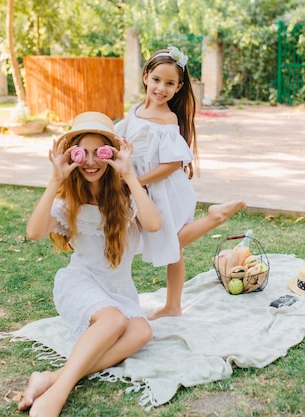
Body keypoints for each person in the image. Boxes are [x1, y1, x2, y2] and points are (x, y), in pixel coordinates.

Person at [18, 112, 162, 417]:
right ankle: (57, 394)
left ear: (113, 154)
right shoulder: (69, 199)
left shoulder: (125, 195)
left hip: (118, 290)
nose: (92, 161)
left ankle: (51, 378)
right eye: (83, 152)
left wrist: (130, 174)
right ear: (72, 155)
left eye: (102, 152)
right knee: (114, 321)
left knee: (141, 333)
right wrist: (55, 178)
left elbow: (153, 224)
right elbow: (33, 232)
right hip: (80, 282)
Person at [115, 46, 246, 320]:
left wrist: (136, 181)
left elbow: (172, 163)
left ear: (179, 87)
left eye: (170, 83)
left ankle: (215, 218)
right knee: (171, 247)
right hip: (141, 187)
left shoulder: (167, 119)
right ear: (145, 76)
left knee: (170, 241)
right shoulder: (136, 110)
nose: (161, 88)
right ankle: (173, 305)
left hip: (162, 187)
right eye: (157, 80)